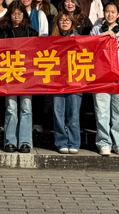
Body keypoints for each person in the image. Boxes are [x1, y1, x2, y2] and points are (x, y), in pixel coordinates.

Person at [0, 1, 37, 153]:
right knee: (11, 108)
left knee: (26, 107)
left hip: (26, 76)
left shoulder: (32, 33)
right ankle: (10, 141)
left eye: (19, 13)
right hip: (9, 74)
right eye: (13, 13)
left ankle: (25, 141)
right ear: (9, 15)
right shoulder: (3, 33)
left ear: (24, 15)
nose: (16, 16)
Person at [91, 2, 119, 156]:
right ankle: (103, 142)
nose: (110, 15)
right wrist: (104, 36)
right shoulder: (96, 30)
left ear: (118, 14)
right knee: (102, 112)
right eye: (107, 11)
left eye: (113, 12)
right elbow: (90, 48)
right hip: (101, 78)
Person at [49, 10, 81, 154]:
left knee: (73, 113)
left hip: (74, 81)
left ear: (72, 22)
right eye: (62, 20)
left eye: (68, 20)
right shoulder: (51, 39)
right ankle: (61, 142)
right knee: (58, 113)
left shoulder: (79, 38)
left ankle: (74, 142)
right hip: (56, 82)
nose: (65, 22)